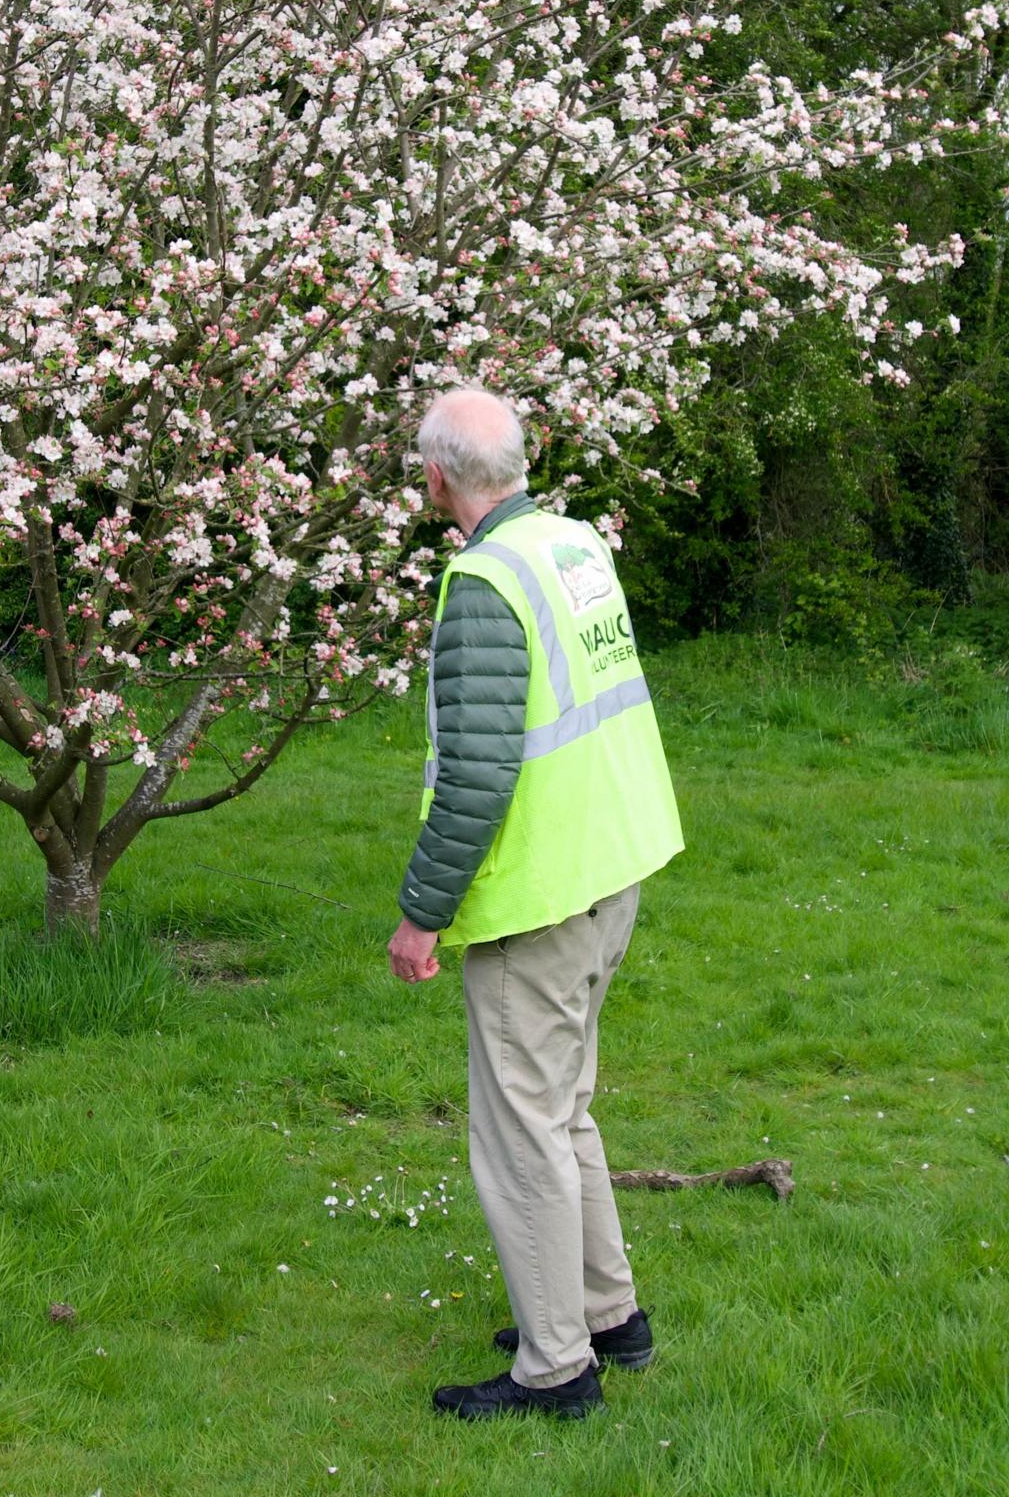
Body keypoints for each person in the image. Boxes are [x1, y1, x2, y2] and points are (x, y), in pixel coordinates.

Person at [387, 387, 686, 1422]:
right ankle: (608, 1314)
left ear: (435, 479)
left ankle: (556, 1369)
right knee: (566, 1111)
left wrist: (422, 913)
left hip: (542, 898)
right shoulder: (571, 542)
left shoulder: (483, 581)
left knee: (522, 1132)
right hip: (616, 861)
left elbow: (475, 775)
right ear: (519, 458)